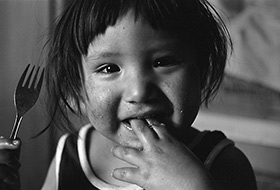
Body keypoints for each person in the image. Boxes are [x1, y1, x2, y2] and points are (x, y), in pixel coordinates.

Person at [0, 0, 257, 189]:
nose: (139, 91)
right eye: (109, 68)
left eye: (163, 61)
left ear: (202, 71)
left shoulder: (225, 163)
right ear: (75, 92)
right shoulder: (70, 154)